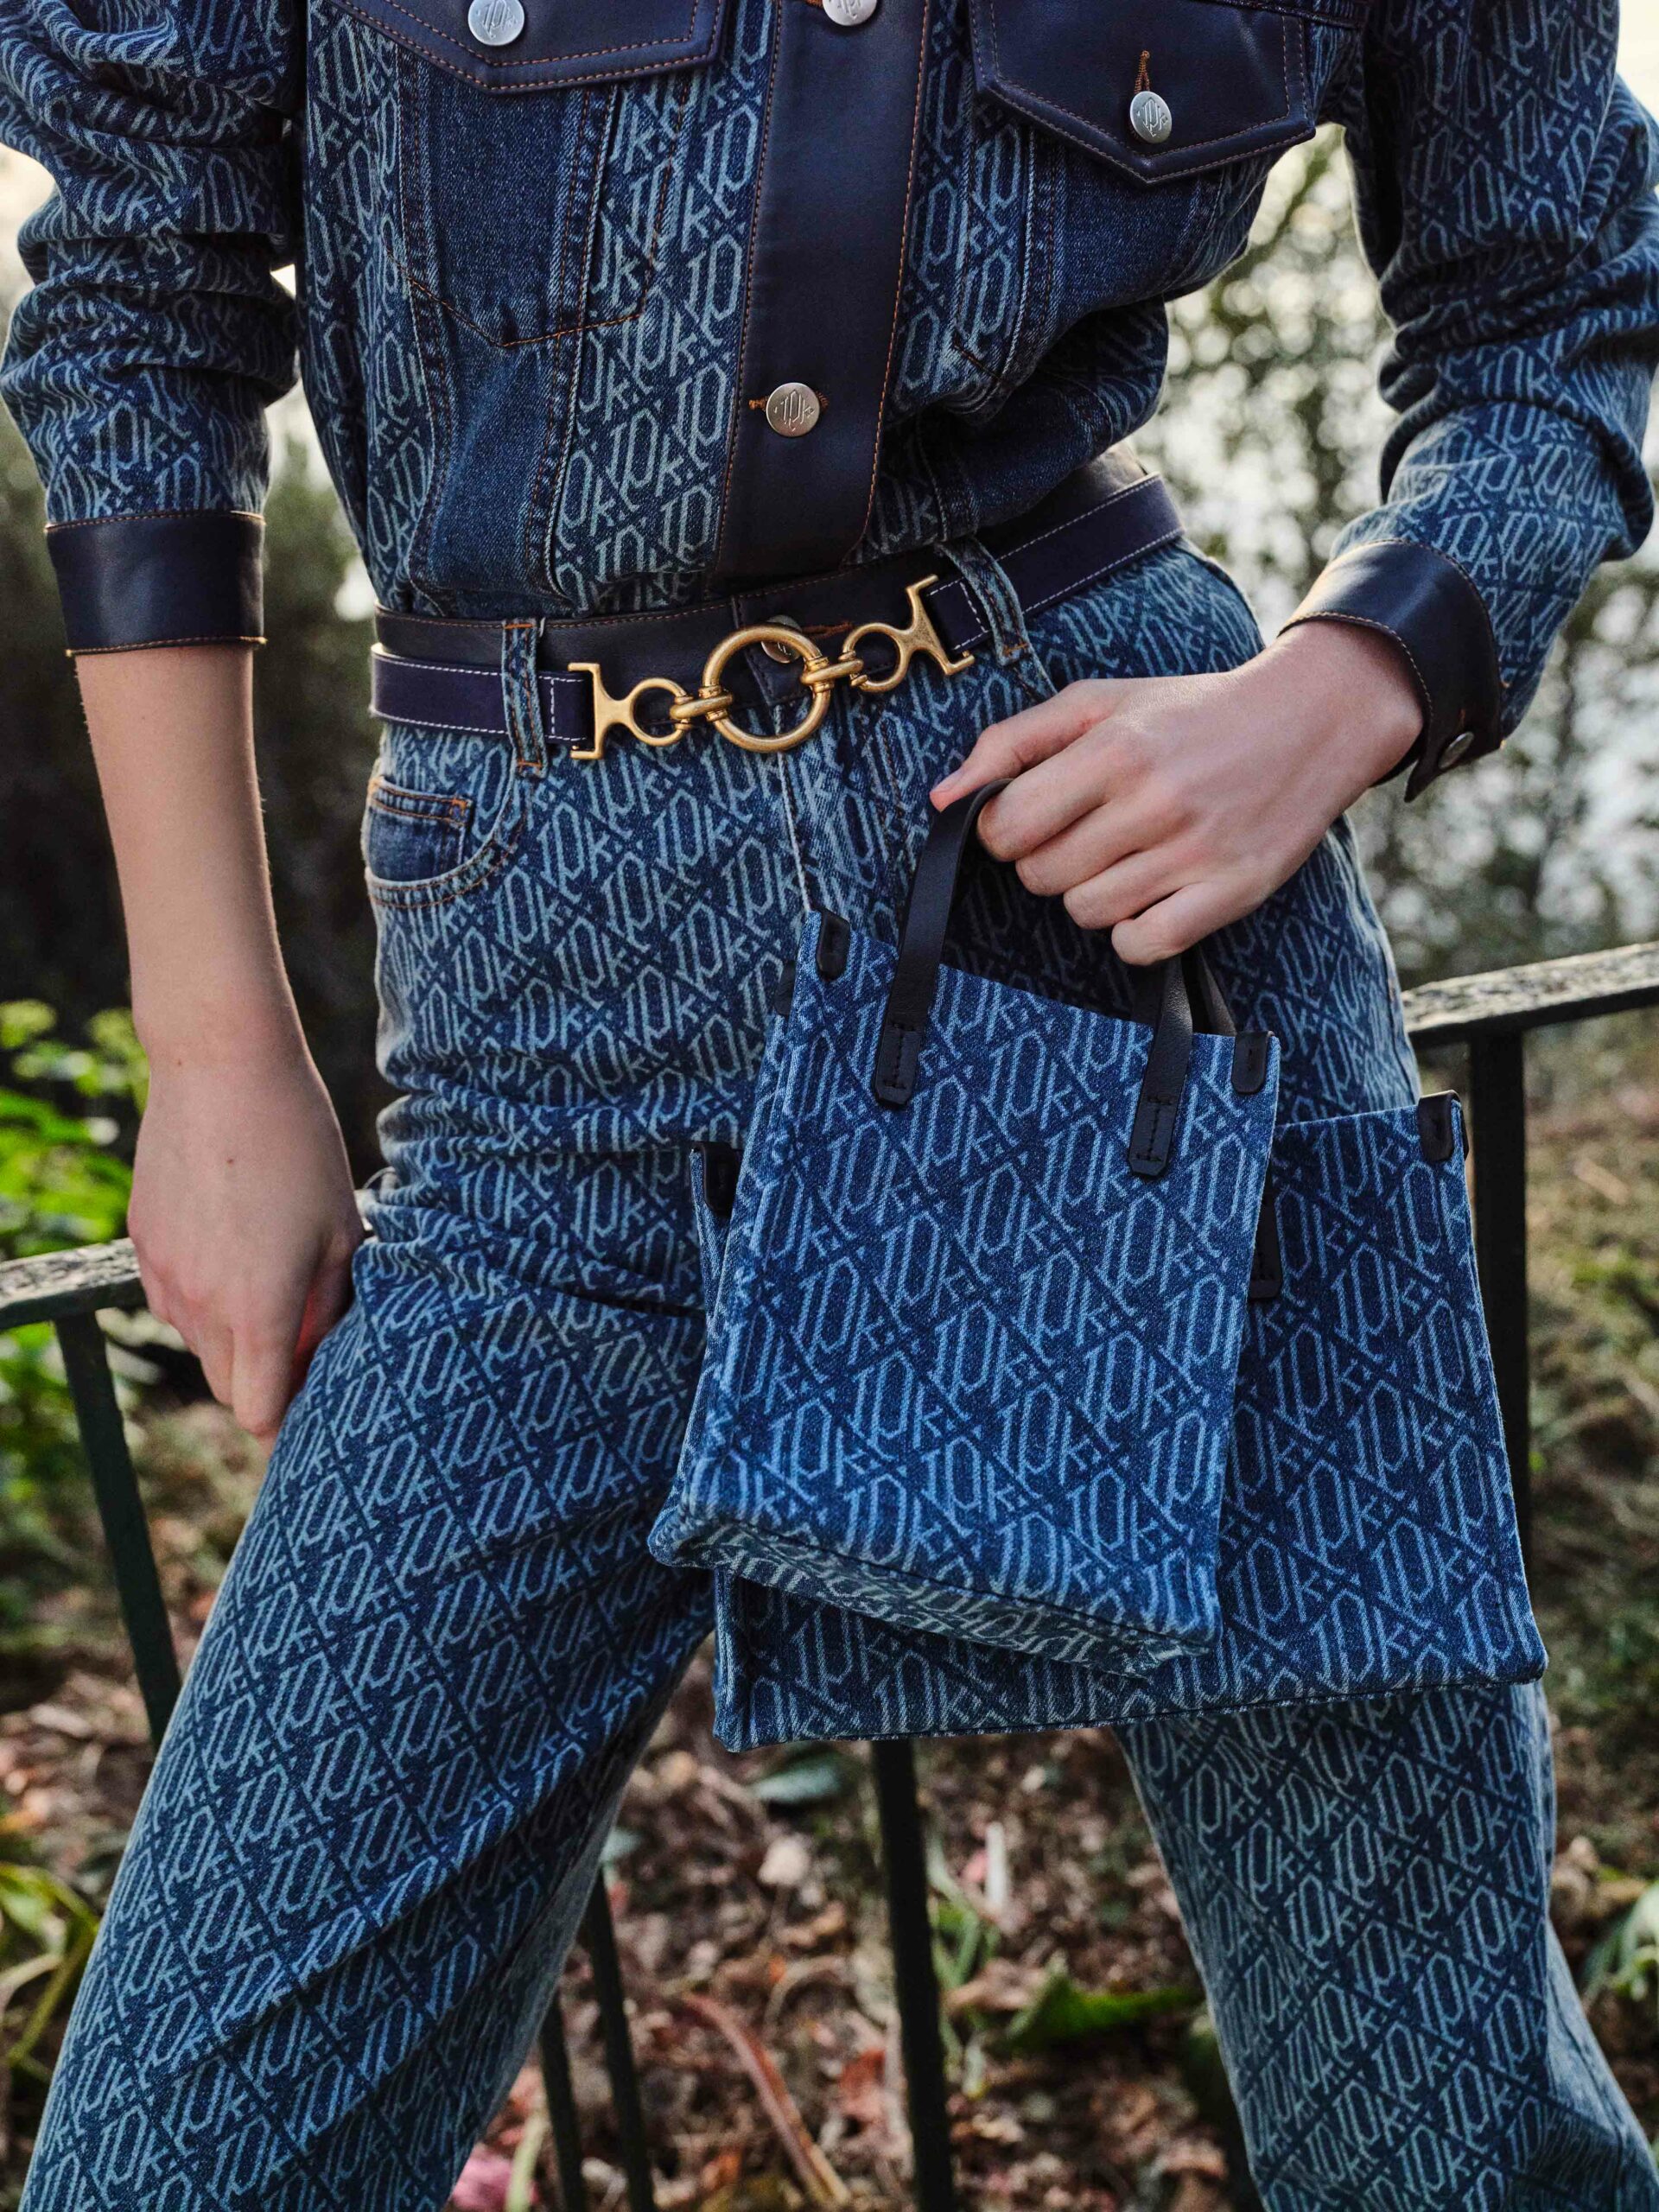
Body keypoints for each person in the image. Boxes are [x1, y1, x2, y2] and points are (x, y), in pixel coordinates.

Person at [4, 0, 1659, 2202]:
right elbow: (141, 284)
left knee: (1437, 2128)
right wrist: (214, 1047)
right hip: (535, 1056)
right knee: (182, 2156)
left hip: (1142, 980)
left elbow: (1558, 300)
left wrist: (1344, 685)